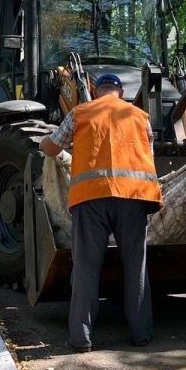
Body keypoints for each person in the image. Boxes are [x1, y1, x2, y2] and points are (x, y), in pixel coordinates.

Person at [41, 73, 162, 352]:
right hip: (133, 198)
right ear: (120, 92)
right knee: (136, 267)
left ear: (96, 92)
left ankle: (80, 338)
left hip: (90, 199)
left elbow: (52, 147)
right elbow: (149, 156)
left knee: (86, 267)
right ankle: (141, 333)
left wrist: (42, 143)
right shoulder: (140, 117)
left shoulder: (79, 113)